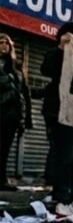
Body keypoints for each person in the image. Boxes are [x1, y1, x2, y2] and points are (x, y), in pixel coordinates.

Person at [42, 21, 73, 204]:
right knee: (66, 154)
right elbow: (47, 69)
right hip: (63, 111)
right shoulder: (57, 53)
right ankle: (62, 192)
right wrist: (62, 48)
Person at [0, 33, 32, 190]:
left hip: (12, 114)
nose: (4, 45)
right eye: (0, 42)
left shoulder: (15, 67)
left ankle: (2, 180)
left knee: (5, 148)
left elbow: (23, 92)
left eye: (7, 43)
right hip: (2, 109)